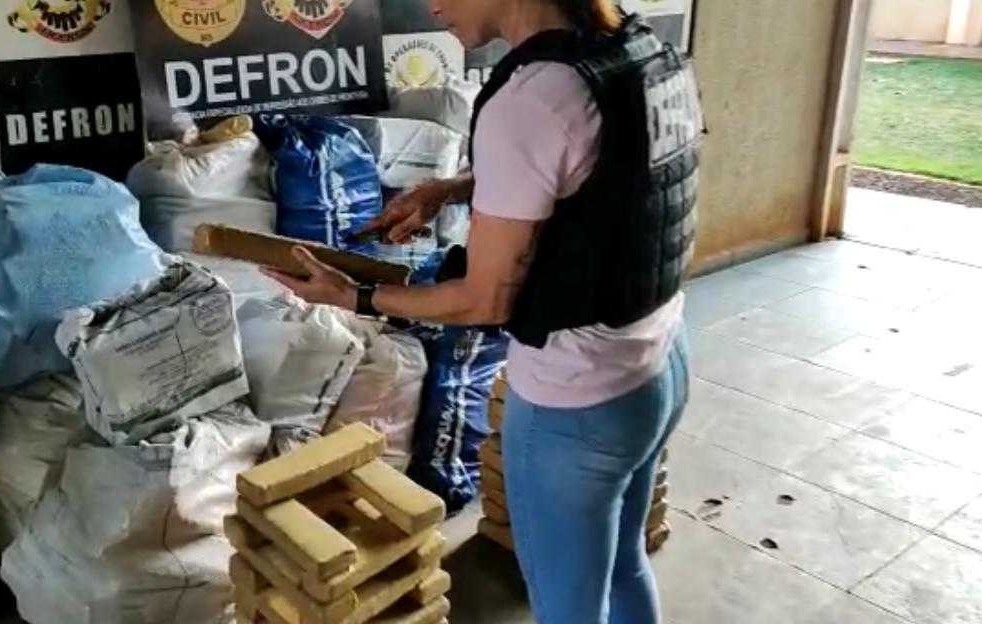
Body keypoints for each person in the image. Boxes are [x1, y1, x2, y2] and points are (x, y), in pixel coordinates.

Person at [263, 0, 702, 621]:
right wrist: (454, 187)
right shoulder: (635, 50)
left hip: (576, 402)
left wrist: (353, 296)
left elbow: (483, 299)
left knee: (568, 608)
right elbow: (595, 168)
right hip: (659, 361)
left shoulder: (533, 98)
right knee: (624, 564)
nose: (431, 4)